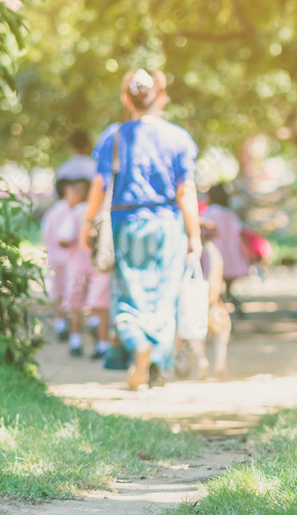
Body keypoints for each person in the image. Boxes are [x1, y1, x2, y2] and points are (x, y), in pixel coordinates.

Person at [81, 68, 201, 391]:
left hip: (125, 226)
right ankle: (156, 364)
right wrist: (195, 234)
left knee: (126, 295)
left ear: (126, 98)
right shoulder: (178, 138)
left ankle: (138, 346)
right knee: (164, 296)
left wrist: (88, 222)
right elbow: (185, 189)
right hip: (167, 227)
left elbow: (99, 184)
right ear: (161, 97)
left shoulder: (114, 136)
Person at [58, 178, 111, 359]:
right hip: (100, 266)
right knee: (100, 306)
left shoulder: (78, 212)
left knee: (75, 306)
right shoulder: (103, 210)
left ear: (79, 194)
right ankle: (103, 345)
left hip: (77, 267)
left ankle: (76, 342)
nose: (67, 198)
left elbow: (63, 239)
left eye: (69, 194)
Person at [200, 183, 249, 313]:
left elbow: (204, 230)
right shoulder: (230, 214)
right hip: (231, 253)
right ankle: (233, 305)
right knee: (228, 285)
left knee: (214, 283)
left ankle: (218, 309)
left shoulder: (209, 212)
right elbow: (239, 231)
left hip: (215, 254)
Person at [41, 179, 72, 341]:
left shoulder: (51, 212)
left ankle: (61, 322)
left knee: (58, 290)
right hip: (70, 259)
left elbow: (45, 234)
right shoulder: (71, 210)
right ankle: (73, 324)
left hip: (54, 257)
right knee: (72, 290)